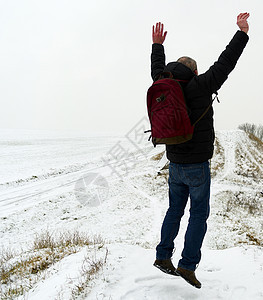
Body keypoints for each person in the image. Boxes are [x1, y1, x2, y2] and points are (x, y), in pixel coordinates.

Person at [151, 13, 250, 288]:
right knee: (198, 214)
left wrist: (157, 45)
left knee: (174, 210)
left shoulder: (162, 83)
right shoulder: (201, 85)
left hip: (174, 162)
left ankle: (162, 255)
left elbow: (156, 68)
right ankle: (187, 264)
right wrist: (241, 33)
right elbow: (225, 62)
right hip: (197, 165)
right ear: (195, 71)